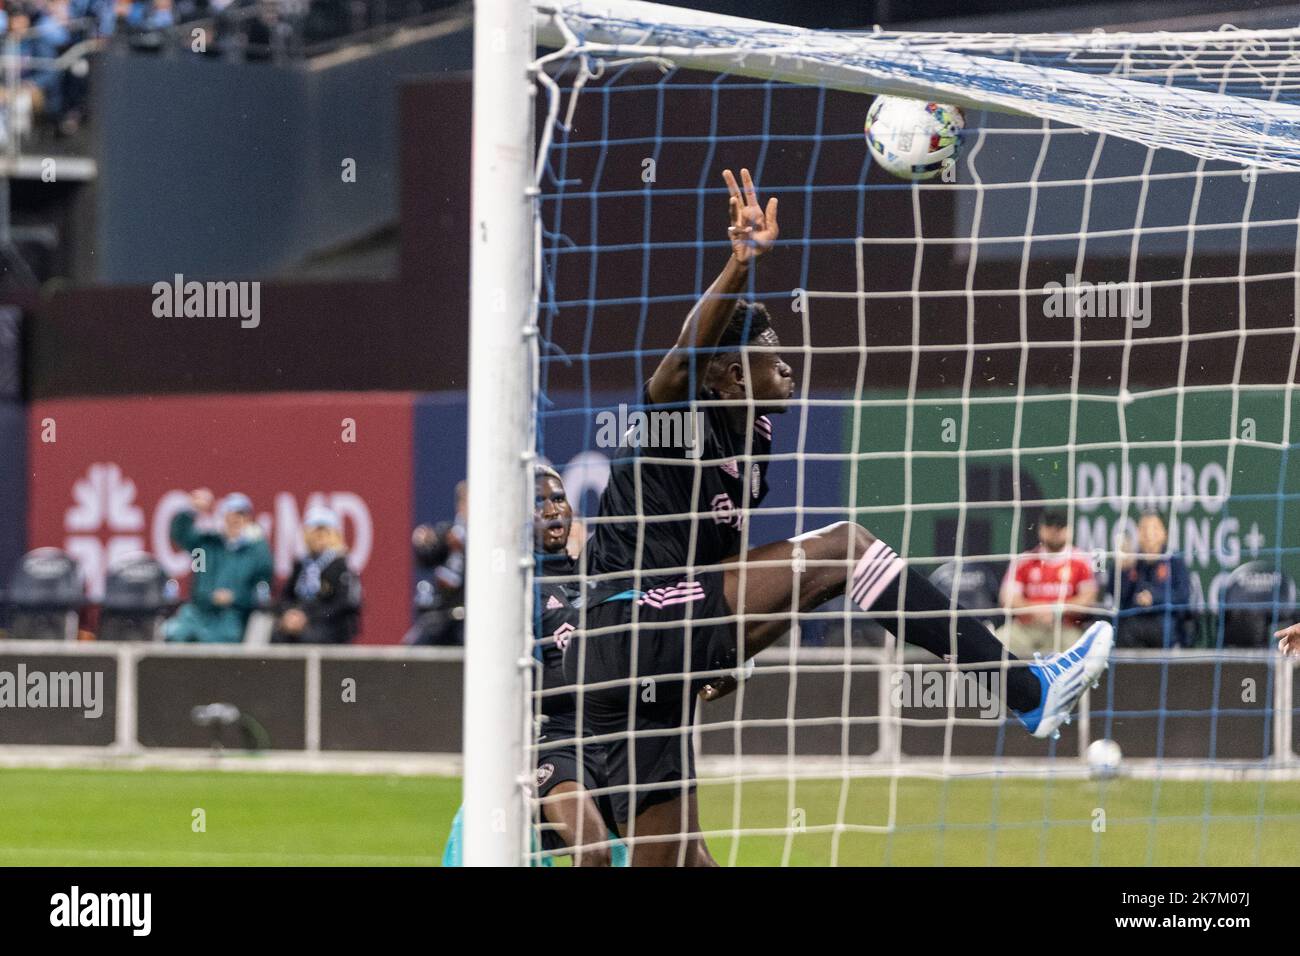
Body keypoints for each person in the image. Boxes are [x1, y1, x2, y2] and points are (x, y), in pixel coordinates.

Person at [564, 167, 1113, 866]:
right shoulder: (686, 414)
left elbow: (716, 569)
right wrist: (741, 262)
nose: (788, 368)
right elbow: (685, 354)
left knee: (682, 862)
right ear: (730, 376)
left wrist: (720, 649)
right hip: (624, 623)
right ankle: (1025, 687)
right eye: (770, 358)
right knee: (846, 548)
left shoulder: (753, 440)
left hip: (643, 669)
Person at [442, 466, 627, 867]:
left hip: (616, 742)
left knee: (676, 852)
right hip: (557, 746)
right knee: (592, 850)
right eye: (537, 503)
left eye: (558, 498)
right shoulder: (515, 589)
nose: (551, 509)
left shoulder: (597, 573)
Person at [165, 489, 273, 643]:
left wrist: (235, 597)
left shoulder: (256, 553)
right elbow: (180, 534)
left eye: (240, 515)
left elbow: (262, 592)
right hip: (197, 611)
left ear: (248, 519)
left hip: (230, 616)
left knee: (220, 645)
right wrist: (191, 510)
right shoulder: (205, 546)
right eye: (230, 515)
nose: (235, 520)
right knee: (175, 634)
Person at [998, 507, 1099, 658]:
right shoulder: (1025, 560)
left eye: (1060, 526)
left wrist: (1056, 609)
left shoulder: (1081, 560)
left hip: (1065, 628)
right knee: (999, 641)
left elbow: (1088, 599)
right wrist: (1036, 609)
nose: (1055, 531)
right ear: (1041, 529)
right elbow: (1007, 599)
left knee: (1079, 650)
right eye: (1050, 526)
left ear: (1069, 530)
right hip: (1026, 628)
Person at [273, 505, 361, 645]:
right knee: (276, 634)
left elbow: (346, 603)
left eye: (325, 532)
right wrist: (289, 614)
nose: (319, 538)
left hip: (329, 625)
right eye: (315, 533)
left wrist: (308, 617)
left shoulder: (341, 566)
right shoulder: (302, 564)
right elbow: (285, 597)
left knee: (311, 637)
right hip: (301, 620)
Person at [1116, 510, 1192, 648]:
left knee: (1165, 626)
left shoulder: (1174, 561)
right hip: (1135, 622)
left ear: (1165, 534)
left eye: (1155, 529)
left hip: (1164, 621)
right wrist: (1124, 571)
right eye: (1144, 530)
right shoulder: (1133, 561)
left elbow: (1183, 597)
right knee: (1122, 628)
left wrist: (1154, 598)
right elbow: (1118, 598)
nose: (1149, 536)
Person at [404, 482, 467, 645]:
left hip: (471, 617)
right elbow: (428, 557)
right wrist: (422, 543)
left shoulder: (491, 538)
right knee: (416, 644)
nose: (466, 507)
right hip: (445, 613)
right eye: (463, 502)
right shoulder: (448, 531)